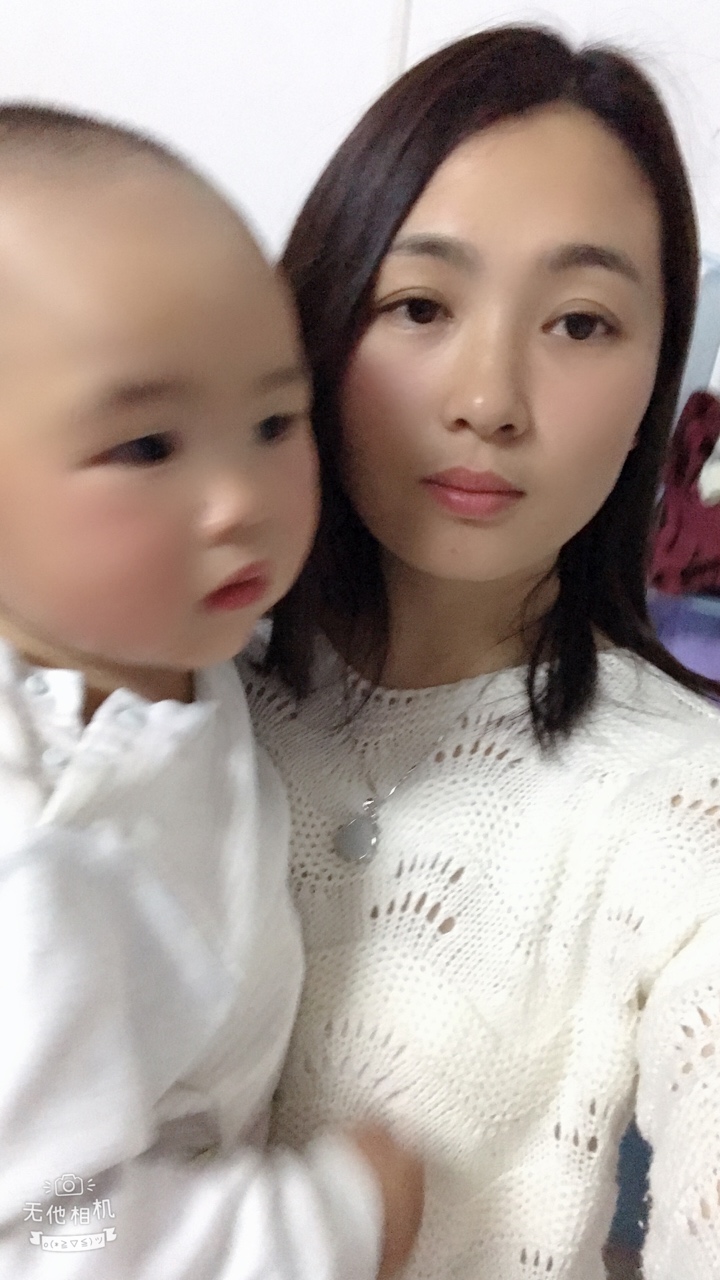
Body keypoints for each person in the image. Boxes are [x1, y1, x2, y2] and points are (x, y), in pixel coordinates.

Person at [244, 25, 720, 1280]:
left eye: (580, 322)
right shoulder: (141, 701)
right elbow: (43, 1201)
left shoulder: (685, 796)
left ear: (656, 381)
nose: (489, 399)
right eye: (419, 305)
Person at [0, 105, 423, 1278]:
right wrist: (328, 1223)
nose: (240, 498)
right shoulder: (41, 845)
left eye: (275, 420)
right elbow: (50, 1234)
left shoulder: (155, 651)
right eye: (146, 446)